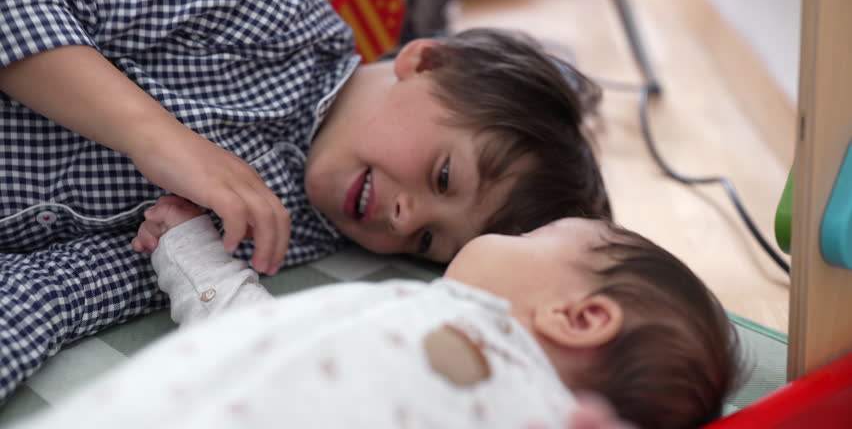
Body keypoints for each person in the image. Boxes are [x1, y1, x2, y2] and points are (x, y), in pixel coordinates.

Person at [0, 0, 610, 403]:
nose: (406, 217)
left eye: (427, 241)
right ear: (429, 60)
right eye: (444, 176)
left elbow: (68, 288)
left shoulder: (284, 239)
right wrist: (157, 137)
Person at [10, 195, 739, 429]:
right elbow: (249, 328)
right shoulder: (408, 308)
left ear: (578, 318)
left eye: (533, 238)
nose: (513, 233)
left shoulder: (539, 404)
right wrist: (186, 249)